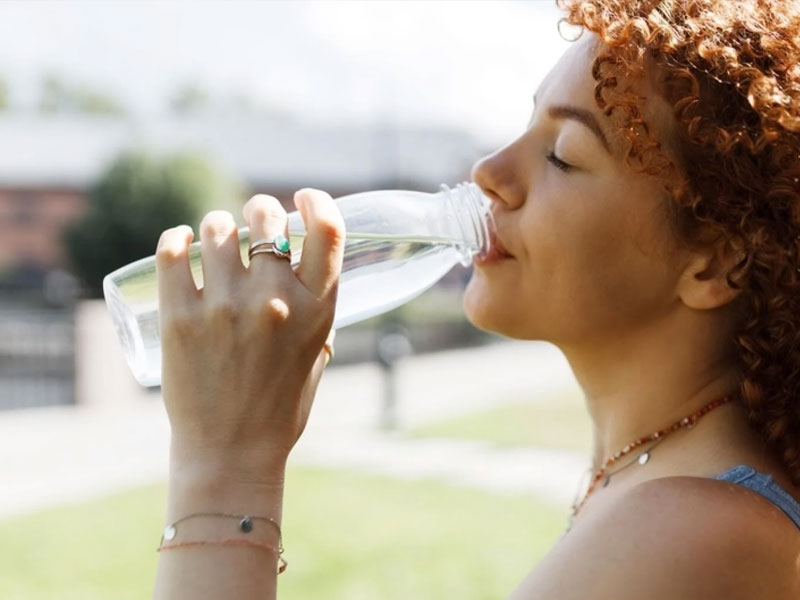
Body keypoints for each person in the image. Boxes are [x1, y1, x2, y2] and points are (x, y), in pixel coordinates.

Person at [151, 0, 800, 598]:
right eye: (524, 126)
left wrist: (225, 462)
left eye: (564, 154)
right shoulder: (650, 484)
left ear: (717, 261)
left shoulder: (693, 529)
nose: (488, 173)